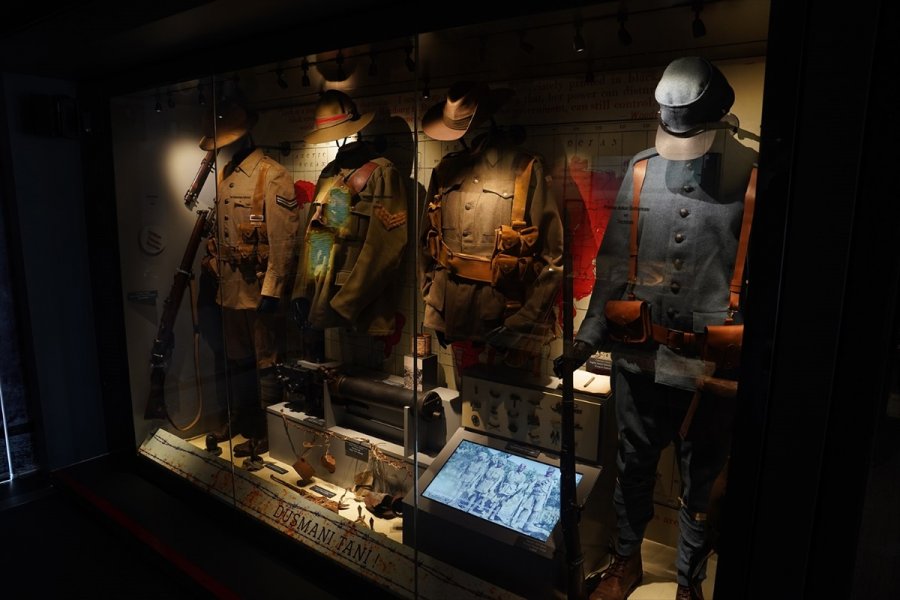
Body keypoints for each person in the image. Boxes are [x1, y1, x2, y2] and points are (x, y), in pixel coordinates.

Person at [554, 57, 758, 600]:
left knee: (700, 484)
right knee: (634, 468)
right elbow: (613, 264)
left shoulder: (755, 177)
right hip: (640, 358)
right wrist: (586, 339)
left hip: (712, 371)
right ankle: (626, 563)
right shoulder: (642, 169)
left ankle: (689, 583)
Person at [202, 101, 301, 457]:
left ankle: (267, 430)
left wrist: (272, 290)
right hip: (229, 289)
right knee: (237, 359)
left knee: (267, 361)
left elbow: (284, 241)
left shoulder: (271, 175)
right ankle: (243, 418)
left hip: (259, 291)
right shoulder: (228, 175)